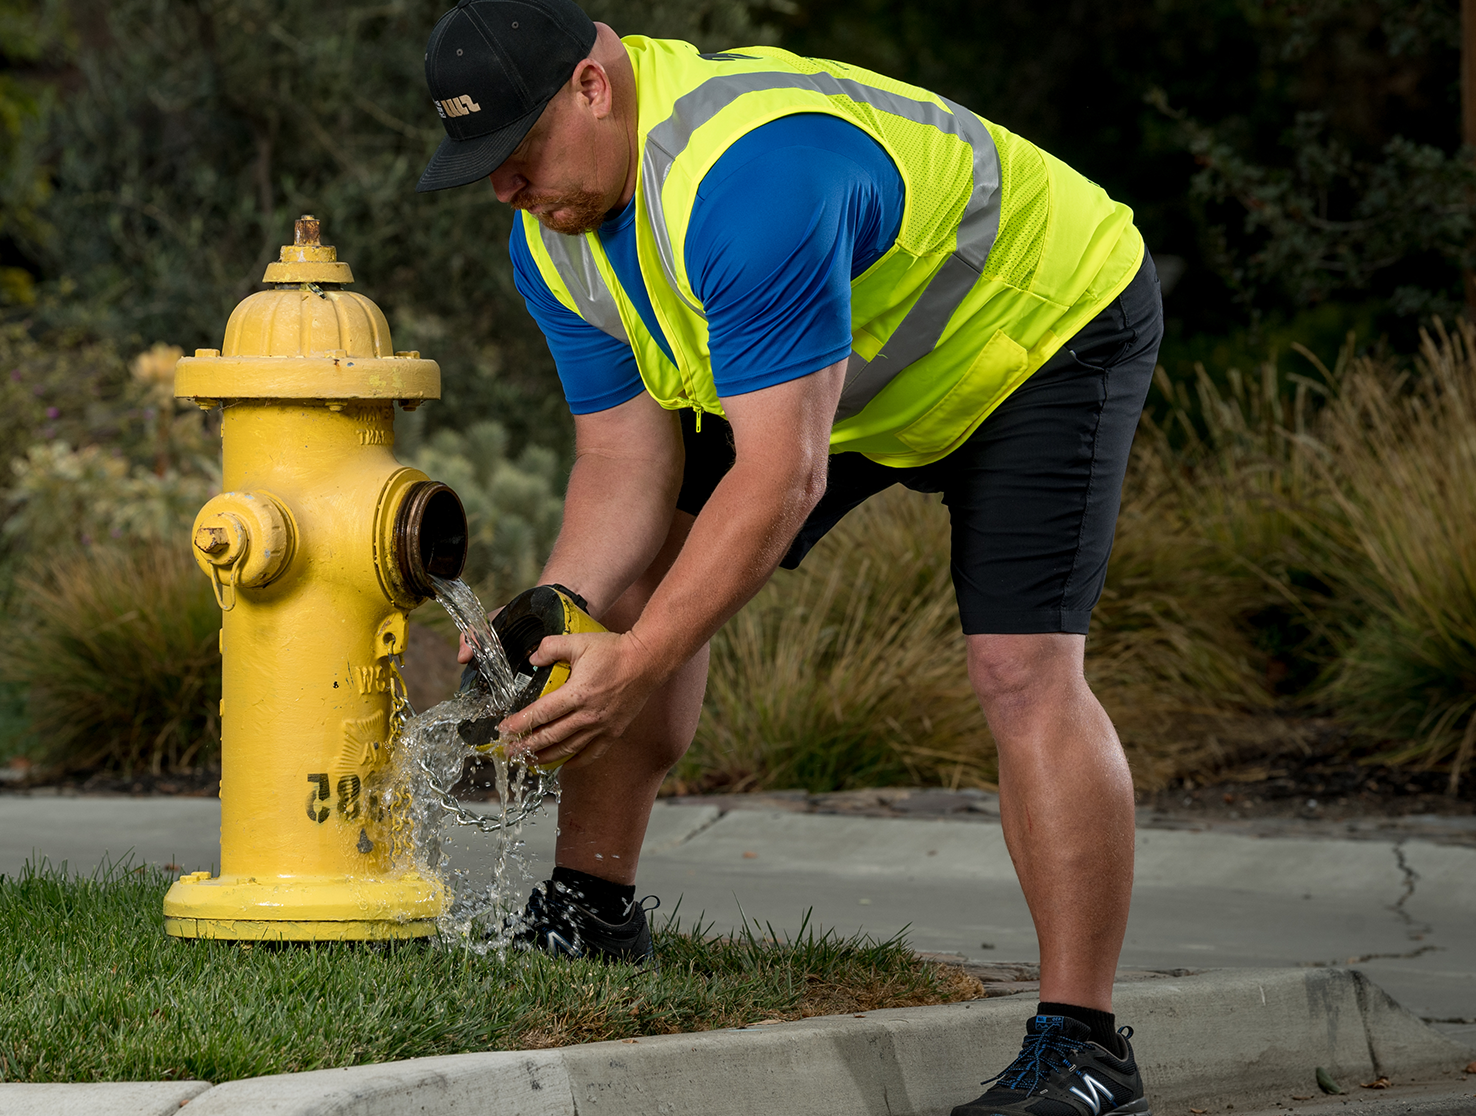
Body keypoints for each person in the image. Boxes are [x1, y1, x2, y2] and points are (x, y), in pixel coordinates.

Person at [416, 1, 1161, 1113]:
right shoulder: (555, 240)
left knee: (1019, 666)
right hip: (834, 375)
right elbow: (624, 462)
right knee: (627, 602)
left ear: (591, 86)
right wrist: (564, 616)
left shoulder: (749, 174)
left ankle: (1084, 1049)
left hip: (1032, 340)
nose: (506, 192)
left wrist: (644, 651)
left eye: (516, 154)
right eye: (484, 167)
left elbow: (780, 476)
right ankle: (591, 911)